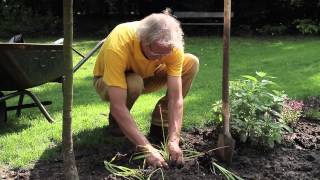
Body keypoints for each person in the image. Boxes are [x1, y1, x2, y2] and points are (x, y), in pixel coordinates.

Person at [93, 9, 199, 168]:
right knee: (134, 82)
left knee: (191, 62)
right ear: (143, 40)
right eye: (156, 52)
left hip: (147, 76)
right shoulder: (120, 42)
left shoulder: (170, 46)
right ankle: (116, 123)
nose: (162, 58)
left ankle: (160, 121)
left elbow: (176, 99)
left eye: (166, 53)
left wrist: (174, 140)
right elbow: (118, 106)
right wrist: (147, 149)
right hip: (107, 81)